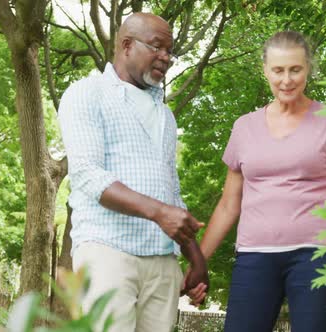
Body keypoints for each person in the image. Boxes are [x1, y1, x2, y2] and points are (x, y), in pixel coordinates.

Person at [188, 31, 326, 332]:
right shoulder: (244, 127)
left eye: (296, 69)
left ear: (308, 69)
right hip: (255, 255)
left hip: (318, 253)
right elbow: (229, 205)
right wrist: (197, 263)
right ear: (264, 69)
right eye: (278, 70)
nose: (287, 80)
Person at [58, 13, 208, 332]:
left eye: (170, 50)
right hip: (107, 250)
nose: (166, 57)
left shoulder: (165, 115)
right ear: (127, 45)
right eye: (157, 47)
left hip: (162, 261)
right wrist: (159, 213)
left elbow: (171, 193)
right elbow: (86, 174)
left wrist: (196, 259)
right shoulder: (87, 93)